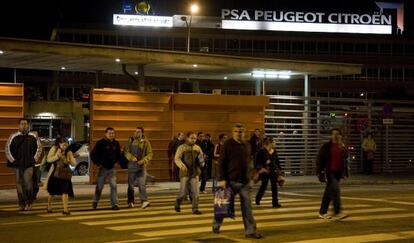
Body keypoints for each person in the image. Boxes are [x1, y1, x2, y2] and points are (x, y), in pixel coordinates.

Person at [214, 123, 262, 239]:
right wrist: (221, 179)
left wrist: (254, 173)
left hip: (245, 182)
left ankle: (250, 231)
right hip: (229, 181)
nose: (238, 133)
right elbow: (221, 162)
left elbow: (250, 161)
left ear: (244, 132)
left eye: (240, 132)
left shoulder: (247, 145)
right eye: (236, 131)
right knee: (221, 205)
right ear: (233, 132)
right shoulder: (227, 144)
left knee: (247, 207)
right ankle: (216, 225)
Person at [5, 119, 42, 211]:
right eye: (22, 124)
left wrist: (34, 159)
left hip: (29, 164)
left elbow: (39, 148)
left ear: (28, 125)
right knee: (19, 185)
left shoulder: (33, 136)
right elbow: (7, 149)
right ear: (18, 126)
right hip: (17, 164)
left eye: (25, 124)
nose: (24, 125)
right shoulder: (13, 136)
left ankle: (29, 201)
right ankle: (21, 203)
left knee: (28, 183)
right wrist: (13, 161)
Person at [316, 128, 349, 221]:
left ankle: (322, 212)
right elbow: (320, 159)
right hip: (330, 172)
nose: (335, 135)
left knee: (328, 193)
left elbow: (346, 157)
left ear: (340, 136)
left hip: (338, 173)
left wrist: (343, 148)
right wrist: (320, 171)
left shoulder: (341, 146)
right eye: (334, 134)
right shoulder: (327, 146)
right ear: (331, 135)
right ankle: (337, 212)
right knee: (335, 191)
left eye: (337, 134)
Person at [91, 127, 121, 210]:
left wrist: (117, 162)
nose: (111, 134)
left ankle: (115, 204)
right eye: (110, 133)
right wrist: (97, 163)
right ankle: (95, 201)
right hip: (102, 168)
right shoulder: (100, 143)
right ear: (106, 134)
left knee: (114, 186)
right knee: (99, 187)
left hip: (112, 169)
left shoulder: (116, 143)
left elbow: (119, 155)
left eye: (113, 133)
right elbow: (93, 154)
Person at [174, 131, 204, 214]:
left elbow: (201, 158)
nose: (194, 140)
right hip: (185, 173)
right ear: (187, 138)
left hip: (195, 173)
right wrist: (182, 165)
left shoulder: (197, 148)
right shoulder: (181, 147)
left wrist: (202, 163)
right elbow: (177, 158)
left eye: (195, 138)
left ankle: (195, 209)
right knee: (183, 193)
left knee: (196, 193)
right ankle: (177, 203)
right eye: (192, 138)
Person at [45, 137, 76, 215]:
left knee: (65, 191)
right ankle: (49, 205)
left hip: (65, 174)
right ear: (59, 144)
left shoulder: (69, 152)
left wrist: (68, 160)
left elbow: (74, 163)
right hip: (55, 173)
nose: (65, 147)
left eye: (66, 145)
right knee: (52, 192)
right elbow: (48, 159)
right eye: (63, 145)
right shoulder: (54, 149)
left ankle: (65, 209)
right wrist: (57, 156)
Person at [125, 126, 153, 209]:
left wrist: (143, 160)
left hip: (141, 167)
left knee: (142, 184)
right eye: (136, 131)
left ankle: (144, 201)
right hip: (132, 167)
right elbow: (126, 151)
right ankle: (130, 201)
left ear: (142, 133)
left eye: (139, 132)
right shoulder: (131, 140)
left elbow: (150, 154)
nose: (137, 133)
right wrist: (131, 157)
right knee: (130, 185)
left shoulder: (146, 142)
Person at [255, 137, 283, 208]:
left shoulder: (274, 151)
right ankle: (258, 198)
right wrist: (260, 169)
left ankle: (275, 203)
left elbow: (277, 162)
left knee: (274, 187)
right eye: (274, 142)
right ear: (270, 143)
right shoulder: (262, 151)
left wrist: (280, 171)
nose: (275, 144)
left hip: (273, 170)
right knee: (264, 186)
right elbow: (257, 162)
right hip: (265, 171)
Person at [29, 130, 43, 201]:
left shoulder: (39, 143)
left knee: (35, 183)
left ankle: (34, 195)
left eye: (36, 134)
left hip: (37, 166)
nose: (35, 135)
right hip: (29, 166)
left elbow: (42, 154)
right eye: (34, 134)